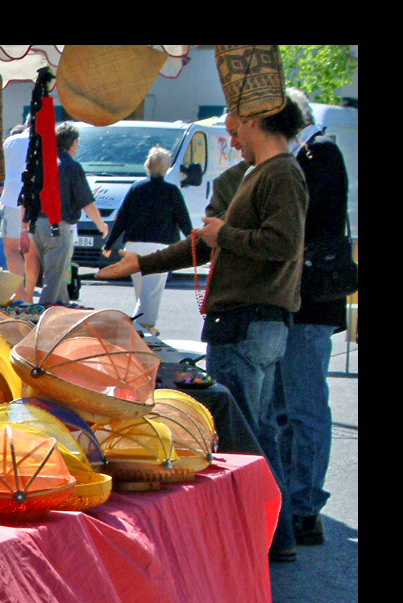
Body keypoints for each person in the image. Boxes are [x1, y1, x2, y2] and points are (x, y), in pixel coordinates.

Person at [96, 97, 308, 563]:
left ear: (254, 121)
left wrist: (221, 236)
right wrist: (145, 262)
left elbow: (282, 244)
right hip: (248, 321)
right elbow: (214, 244)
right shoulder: (266, 174)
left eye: (234, 128)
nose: (230, 137)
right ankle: (276, 533)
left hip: (249, 322)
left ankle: (271, 534)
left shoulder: (280, 174)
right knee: (257, 432)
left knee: (246, 435)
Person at [268, 88, 351, 548]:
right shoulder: (309, 156)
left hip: (311, 301)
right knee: (286, 410)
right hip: (291, 299)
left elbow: (299, 220)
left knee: (303, 408)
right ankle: (291, 501)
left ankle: (305, 506)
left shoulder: (320, 156)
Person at [102, 145, 191, 334]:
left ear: (147, 166)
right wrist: (195, 241)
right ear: (166, 168)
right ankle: (138, 328)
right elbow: (183, 220)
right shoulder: (172, 191)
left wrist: (109, 244)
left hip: (134, 245)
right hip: (160, 246)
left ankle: (148, 327)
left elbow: (122, 218)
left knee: (142, 291)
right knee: (151, 291)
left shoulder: (136, 188)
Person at [24, 121, 108, 305]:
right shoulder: (71, 166)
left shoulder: (41, 163)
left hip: (36, 224)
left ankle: (63, 308)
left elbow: (26, 194)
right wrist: (101, 225)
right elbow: (87, 202)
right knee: (54, 278)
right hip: (58, 226)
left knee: (59, 275)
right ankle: (43, 316)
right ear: (74, 142)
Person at [0, 122, 32, 300]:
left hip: (13, 199)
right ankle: (30, 295)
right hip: (40, 202)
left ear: (26, 124)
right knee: (34, 253)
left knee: (12, 250)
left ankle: (21, 295)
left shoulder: (12, 141)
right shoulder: (49, 141)